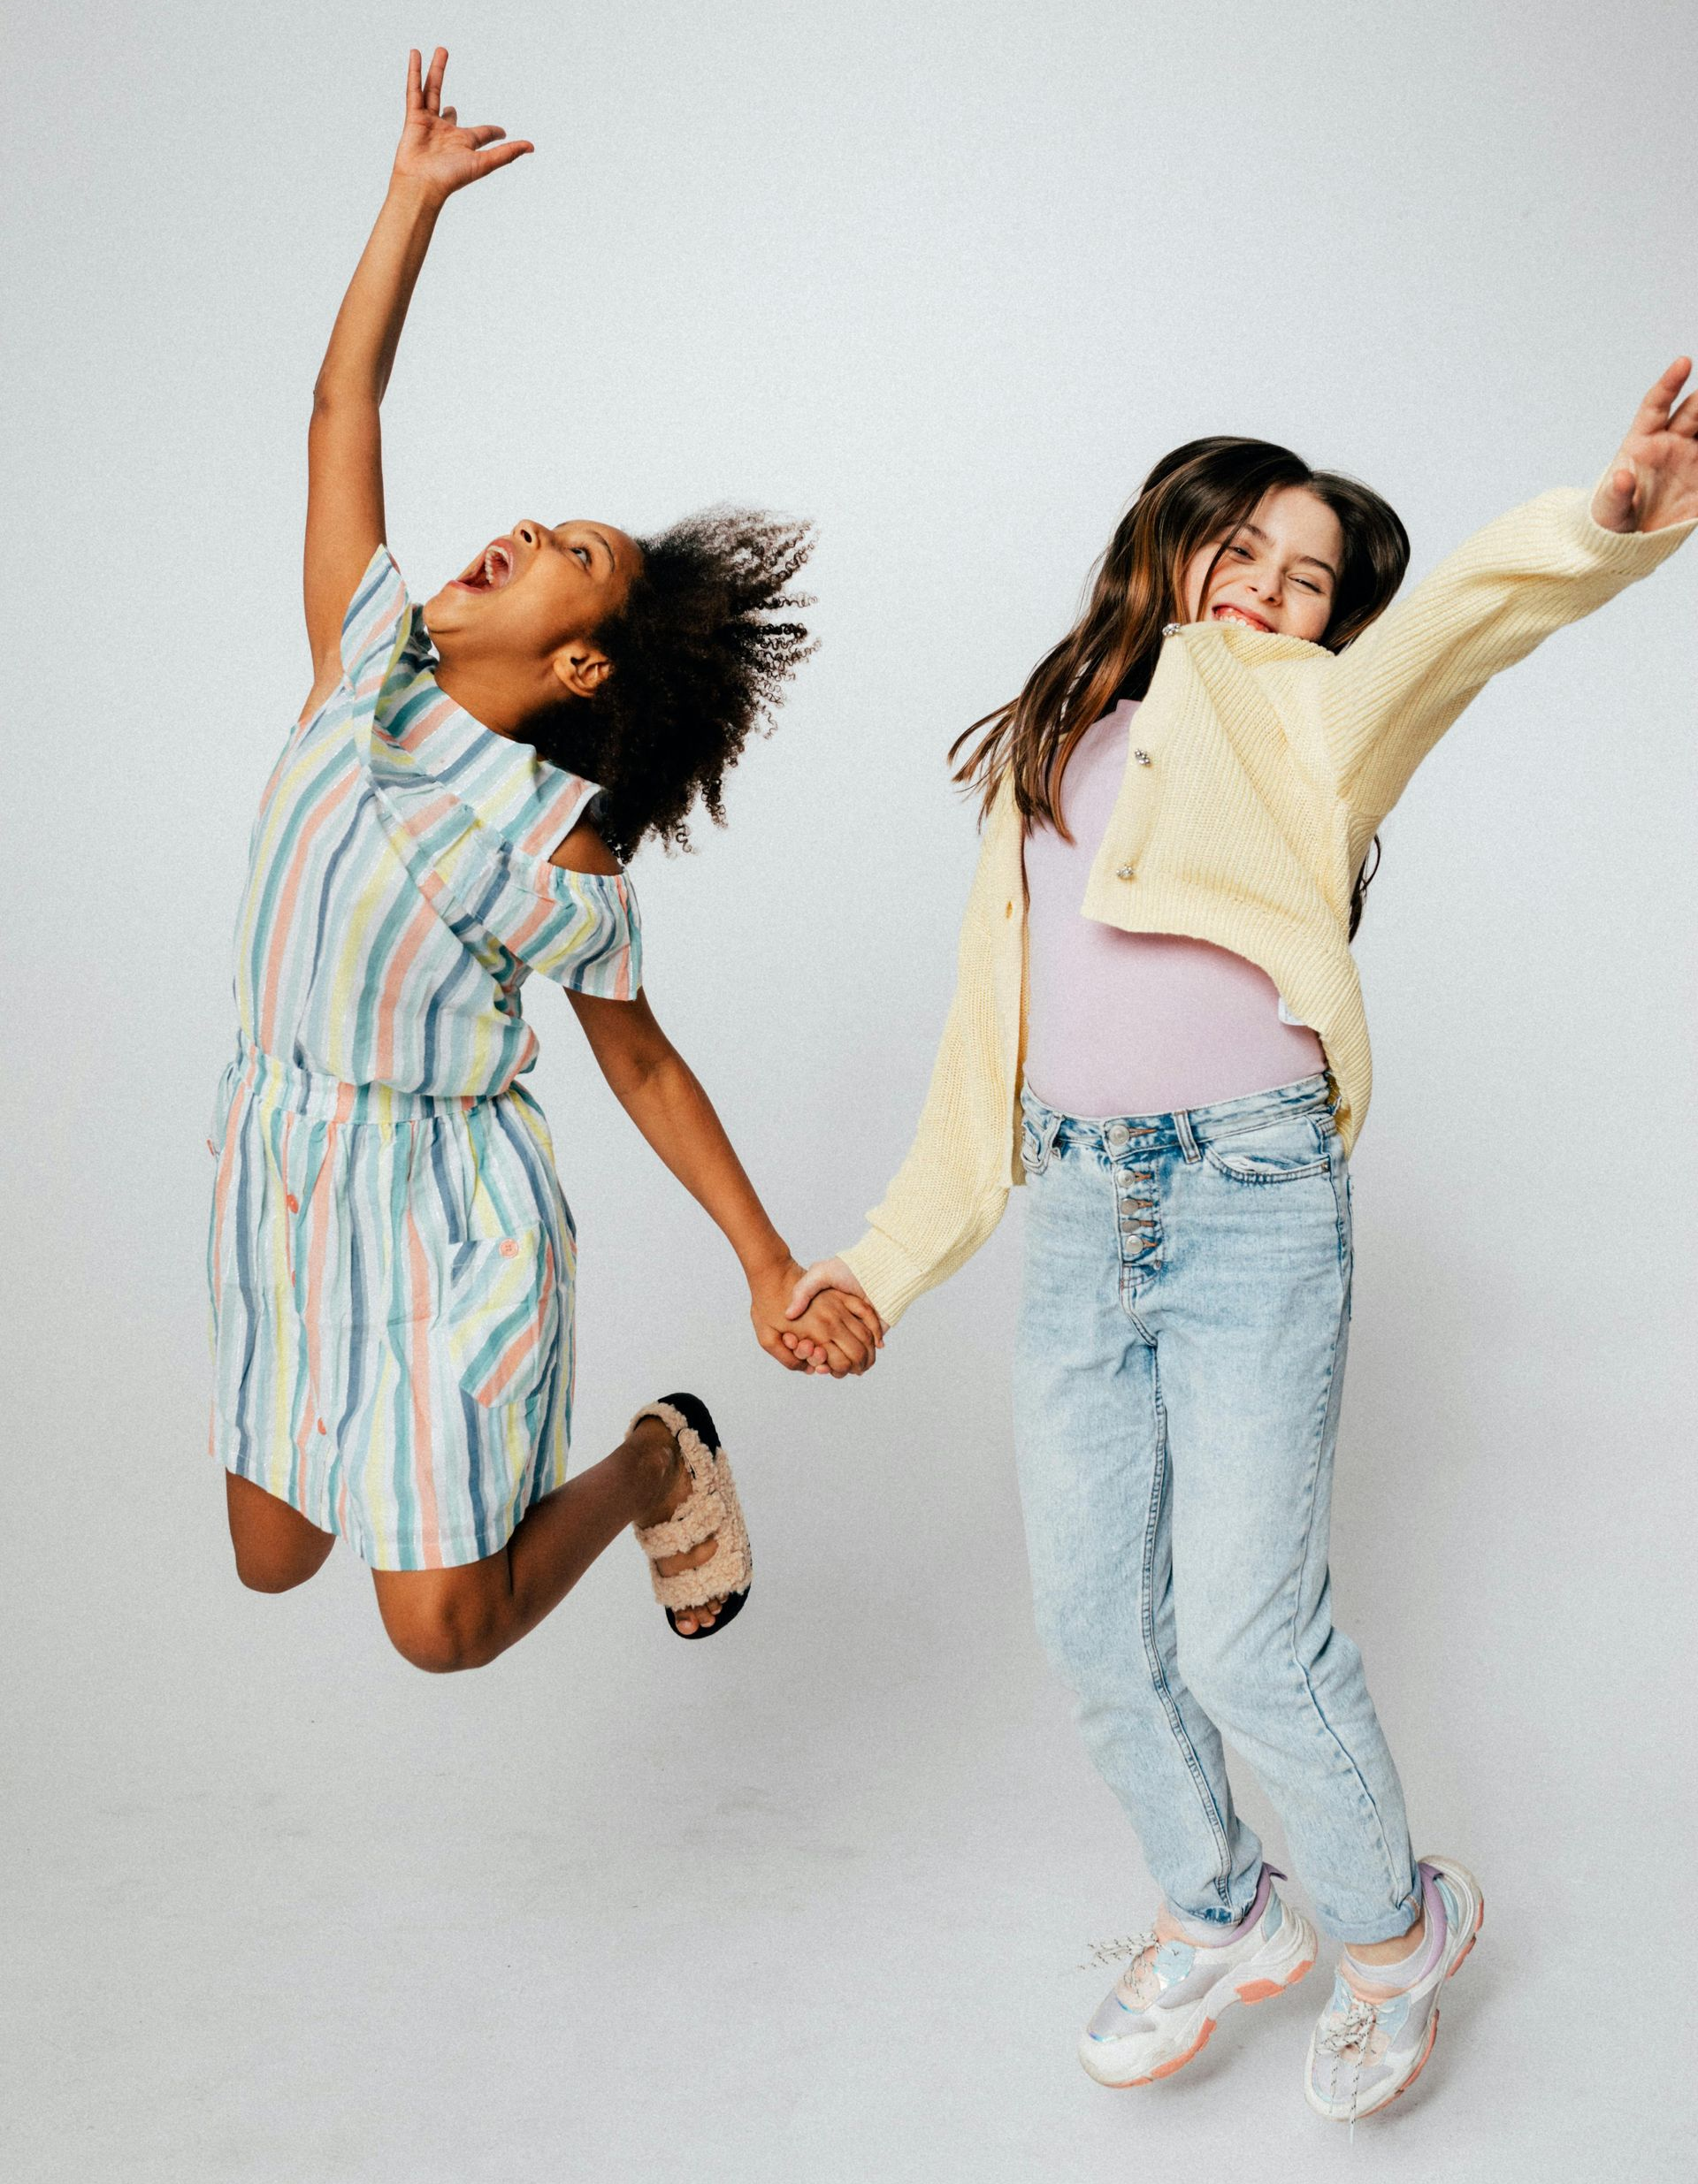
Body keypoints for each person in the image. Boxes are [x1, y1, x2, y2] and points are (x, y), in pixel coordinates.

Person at [784, 376, 1697, 2118]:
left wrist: (1604, 525)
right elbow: (988, 1054)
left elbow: (1457, 631)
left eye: (1311, 576)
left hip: (1252, 1206)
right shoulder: (1050, 756)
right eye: (1245, 550)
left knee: (1246, 1633)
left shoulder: (1307, 718)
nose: (1272, 589)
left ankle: (1392, 1925)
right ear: (1169, 540)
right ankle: (1224, 1905)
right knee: (1088, 1620)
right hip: (1076, 1208)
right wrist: (877, 1266)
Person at [207, 49, 879, 1664]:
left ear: (583, 663)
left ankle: (662, 1455)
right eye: (553, 523)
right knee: (270, 1555)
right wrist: (409, 205)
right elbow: (343, 405)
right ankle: (551, 1465)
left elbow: (643, 1069)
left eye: (570, 555)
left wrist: (769, 1259)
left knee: (443, 1626)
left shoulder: (560, 855)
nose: (526, 530)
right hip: (283, 1166)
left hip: (449, 1208)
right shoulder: (360, 656)